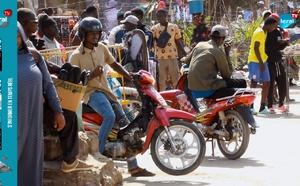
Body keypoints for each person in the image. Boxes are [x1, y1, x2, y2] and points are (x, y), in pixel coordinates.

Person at [69, 17, 155, 177]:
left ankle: (133, 166)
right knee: (109, 116)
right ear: (83, 34)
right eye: (91, 33)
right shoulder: (75, 56)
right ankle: (98, 156)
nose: (95, 36)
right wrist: (92, 74)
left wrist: (129, 76)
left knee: (126, 126)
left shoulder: (101, 47)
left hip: (107, 91)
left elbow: (114, 63)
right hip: (90, 93)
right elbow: (73, 80)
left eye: (97, 33)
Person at [17, 8, 93, 173]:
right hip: (22, 106)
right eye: (34, 22)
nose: (37, 25)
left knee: (67, 114)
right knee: (68, 117)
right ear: (24, 24)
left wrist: (62, 70)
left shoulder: (29, 45)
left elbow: (44, 67)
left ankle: (70, 161)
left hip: (37, 101)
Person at [17, 22, 65, 186]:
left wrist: (58, 111)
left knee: (29, 165)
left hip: (32, 120)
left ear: (22, 36)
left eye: (15, 36)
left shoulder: (34, 56)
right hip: (10, 122)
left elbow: (48, 85)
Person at [186, 25, 246, 100]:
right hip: (207, 89)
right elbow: (227, 75)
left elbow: (187, 61)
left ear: (210, 36)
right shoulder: (218, 52)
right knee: (241, 82)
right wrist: (227, 54)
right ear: (223, 38)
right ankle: (244, 110)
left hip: (193, 89)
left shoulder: (200, 45)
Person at [247, 16, 278, 115]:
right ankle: (250, 107)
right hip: (255, 61)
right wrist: (260, 63)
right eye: (273, 26)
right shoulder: (259, 32)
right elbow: (256, 48)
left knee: (267, 82)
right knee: (254, 83)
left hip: (263, 60)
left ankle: (262, 107)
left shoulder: (264, 32)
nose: (274, 28)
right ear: (268, 25)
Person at [151, 8, 187, 91]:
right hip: (160, 57)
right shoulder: (154, 29)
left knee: (176, 78)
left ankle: (178, 96)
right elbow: (151, 42)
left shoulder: (174, 27)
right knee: (161, 80)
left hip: (172, 56)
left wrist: (185, 54)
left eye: (160, 16)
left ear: (166, 16)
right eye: (157, 16)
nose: (158, 18)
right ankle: (162, 98)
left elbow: (178, 42)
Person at [265, 13, 290, 113]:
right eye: (276, 22)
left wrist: (285, 43)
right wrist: (277, 43)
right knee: (270, 84)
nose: (277, 25)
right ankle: (269, 105)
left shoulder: (278, 32)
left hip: (278, 61)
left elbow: (280, 47)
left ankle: (281, 103)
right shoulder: (266, 33)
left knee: (283, 82)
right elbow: (267, 48)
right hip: (270, 61)